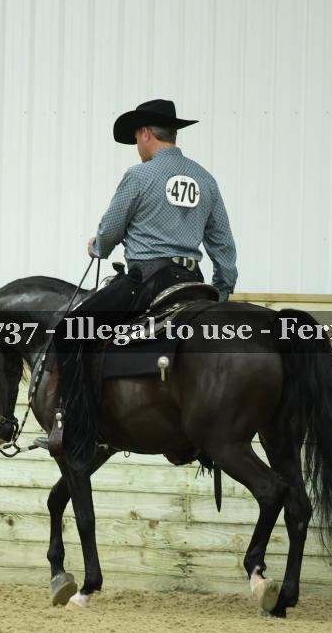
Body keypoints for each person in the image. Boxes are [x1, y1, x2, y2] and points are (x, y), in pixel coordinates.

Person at [48, 99, 239, 463]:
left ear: (145, 133)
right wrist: (222, 293)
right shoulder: (205, 179)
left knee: (70, 330)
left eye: (137, 137)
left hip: (147, 280)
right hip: (193, 283)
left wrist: (98, 246)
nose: (137, 145)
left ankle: (76, 428)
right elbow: (223, 246)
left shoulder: (139, 176)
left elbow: (111, 229)